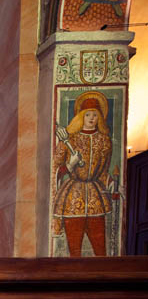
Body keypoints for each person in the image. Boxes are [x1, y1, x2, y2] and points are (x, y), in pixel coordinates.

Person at [53, 92, 116, 256]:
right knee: (74, 251)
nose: (91, 118)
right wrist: (70, 165)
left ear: (100, 117)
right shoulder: (70, 140)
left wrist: (113, 184)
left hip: (96, 198)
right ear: (81, 116)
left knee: (100, 251)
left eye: (95, 114)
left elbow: (103, 172)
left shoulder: (104, 141)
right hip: (72, 198)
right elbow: (54, 169)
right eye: (87, 114)